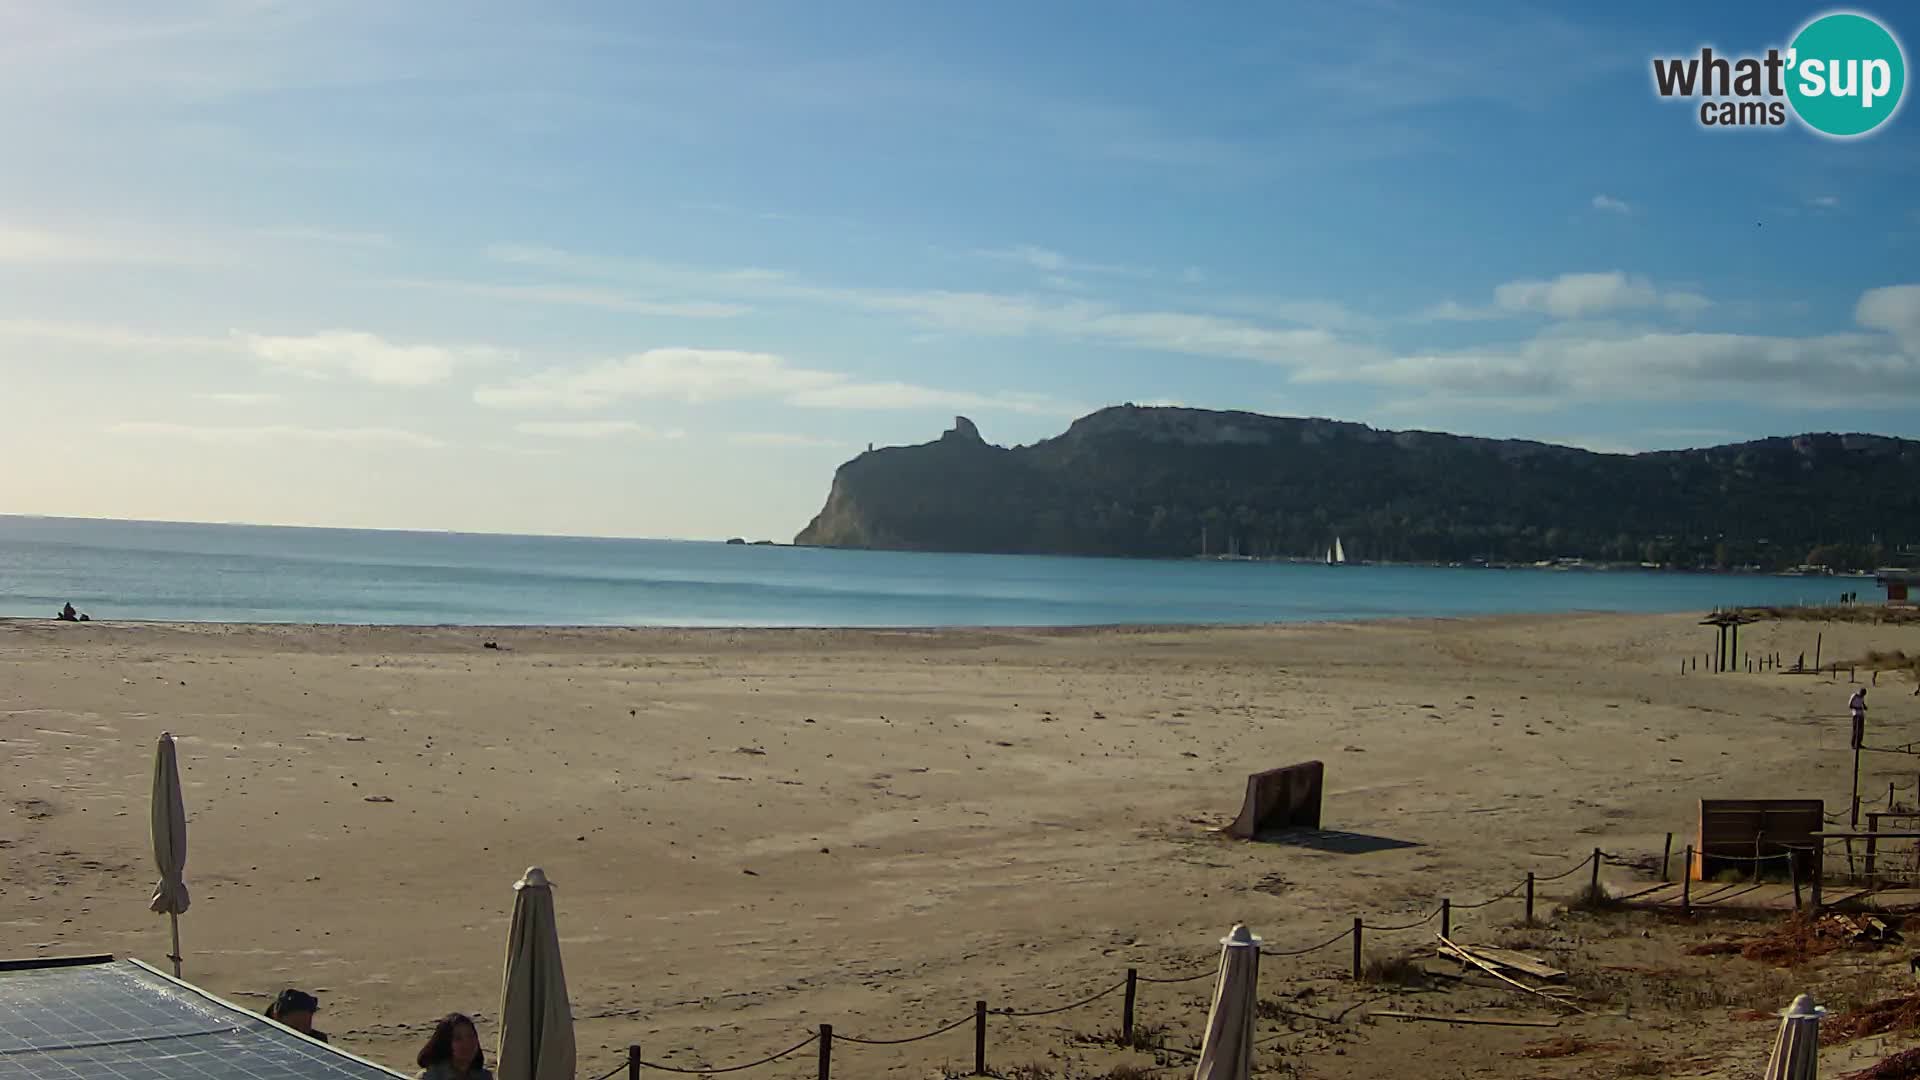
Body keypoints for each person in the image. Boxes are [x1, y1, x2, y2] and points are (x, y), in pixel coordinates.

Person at [417, 1013, 492, 1080]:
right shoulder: (429, 1076)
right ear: (446, 1043)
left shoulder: (484, 1076)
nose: (467, 1043)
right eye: (458, 1038)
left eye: (470, 1036)